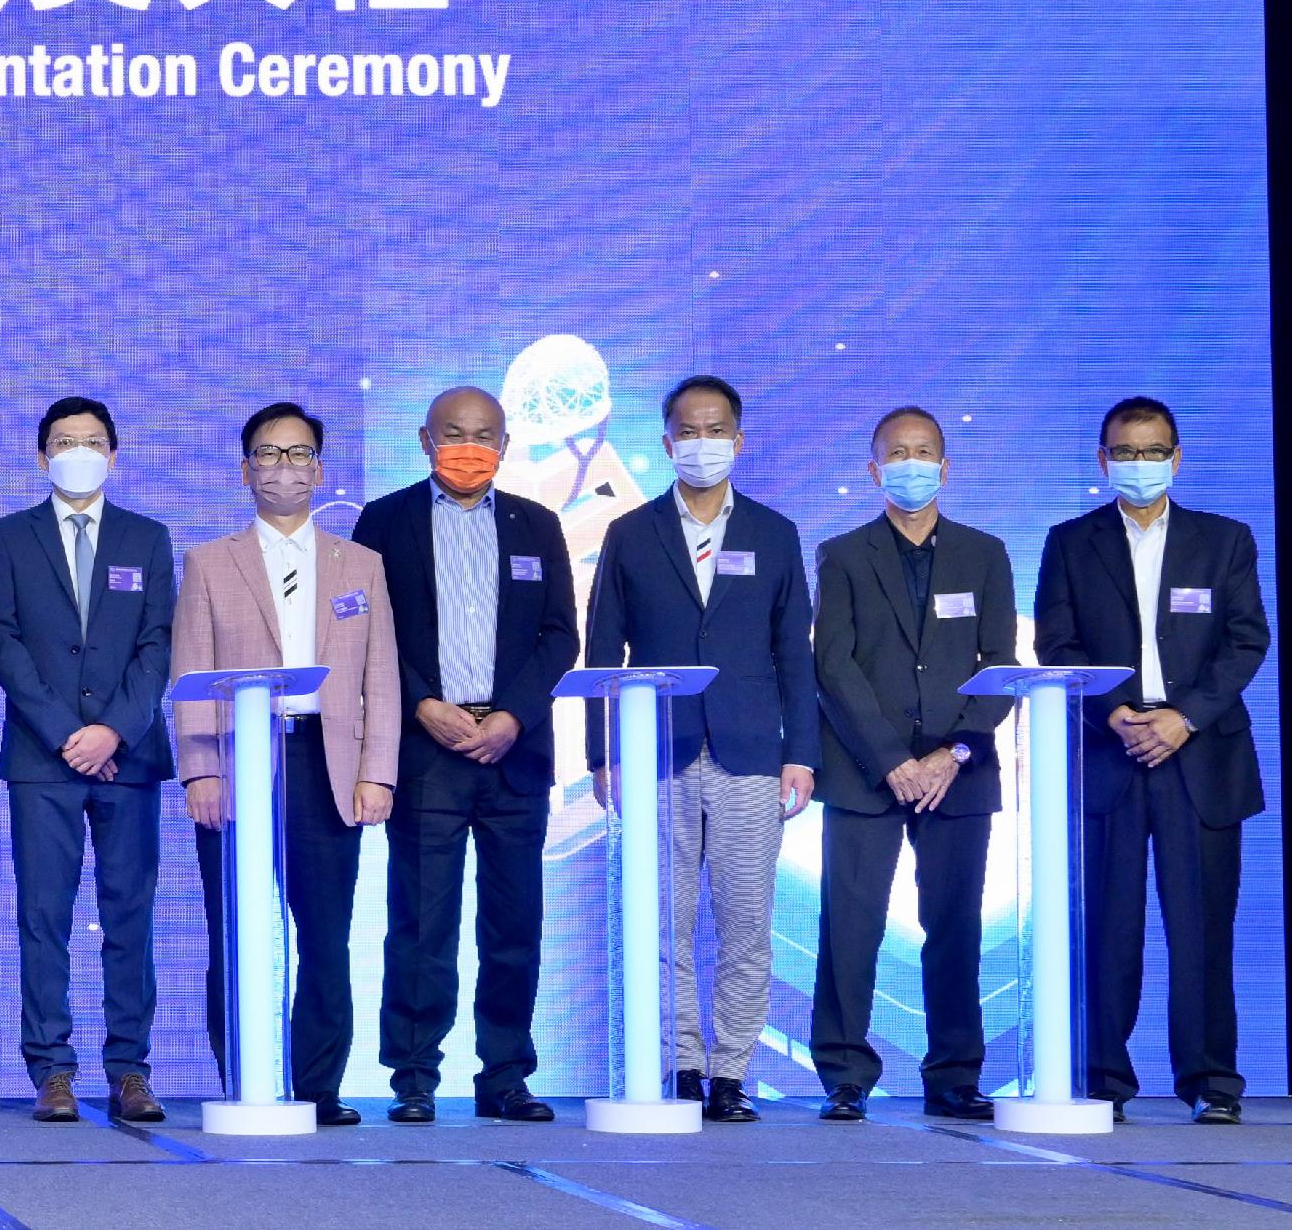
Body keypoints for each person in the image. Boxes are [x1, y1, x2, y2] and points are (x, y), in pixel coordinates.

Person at [579, 376, 815, 1124]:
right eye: (689, 431)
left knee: (746, 923)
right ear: (667, 442)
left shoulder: (774, 532)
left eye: (716, 431)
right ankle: (679, 1063)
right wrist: (600, 754)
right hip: (657, 751)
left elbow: (794, 653)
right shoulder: (631, 531)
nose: (702, 443)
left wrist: (802, 752)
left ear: (738, 441)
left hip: (751, 751)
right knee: (661, 922)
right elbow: (600, 648)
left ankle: (731, 1071)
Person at [1037, 396, 1268, 1125]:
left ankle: (1211, 1081)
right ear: (1103, 460)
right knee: (1109, 928)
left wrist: (1184, 717)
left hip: (1200, 756)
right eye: (1126, 452)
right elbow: (1057, 644)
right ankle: (1104, 1077)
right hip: (1112, 750)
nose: (1140, 464)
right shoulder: (1070, 542)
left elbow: (1246, 640)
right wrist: (1113, 712)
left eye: (1154, 451)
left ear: (1177, 457)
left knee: (1202, 929)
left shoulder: (1224, 540)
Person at [175, 402, 398, 1127]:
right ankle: (244, 1076)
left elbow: (381, 676)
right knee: (235, 931)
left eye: (298, 454)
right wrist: (200, 770)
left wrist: (377, 770)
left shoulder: (361, 564)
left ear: (319, 471)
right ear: (245, 471)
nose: (284, 468)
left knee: (326, 935)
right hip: (239, 760)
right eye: (269, 454)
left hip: (327, 762)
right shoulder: (209, 562)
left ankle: (318, 1085)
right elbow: (190, 668)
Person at [352, 384, 571, 1123]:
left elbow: (559, 636)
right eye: (453, 433)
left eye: (484, 434)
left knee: (514, 924)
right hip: (427, 748)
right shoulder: (383, 521)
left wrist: (513, 715)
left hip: (514, 751)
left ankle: (505, 1074)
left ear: (505, 444)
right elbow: (366, 630)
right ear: (425, 440)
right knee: (422, 922)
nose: (468, 447)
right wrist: (421, 703)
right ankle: (413, 1075)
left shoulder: (538, 523)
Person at [809, 406, 1015, 1121]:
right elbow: (833, 665)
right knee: (851, 923)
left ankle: (954, 1074)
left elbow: (1001, 663)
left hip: (960, 770)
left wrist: (955, 751)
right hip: (866, 770)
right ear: (874, 470)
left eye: (923, 452)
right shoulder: (841, 554)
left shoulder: (984, 553)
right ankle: (844, 1073)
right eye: (897, 453)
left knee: (956, 923)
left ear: (945, 467)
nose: (911, 464)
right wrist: (893, 759)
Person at [0, 398, 176, 1122]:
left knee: (130, 914)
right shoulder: (8, 536)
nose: (79, 452)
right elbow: (2, 641)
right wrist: (69, 732)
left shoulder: (147, 537)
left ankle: (130, 1069)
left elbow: (158, 643)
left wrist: (113, 731)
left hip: (129, 757)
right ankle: (52, 1069)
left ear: (114, 455)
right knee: (44, 915)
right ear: (42, 457)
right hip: (44, 756)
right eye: (65, 442)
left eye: (92, 441)